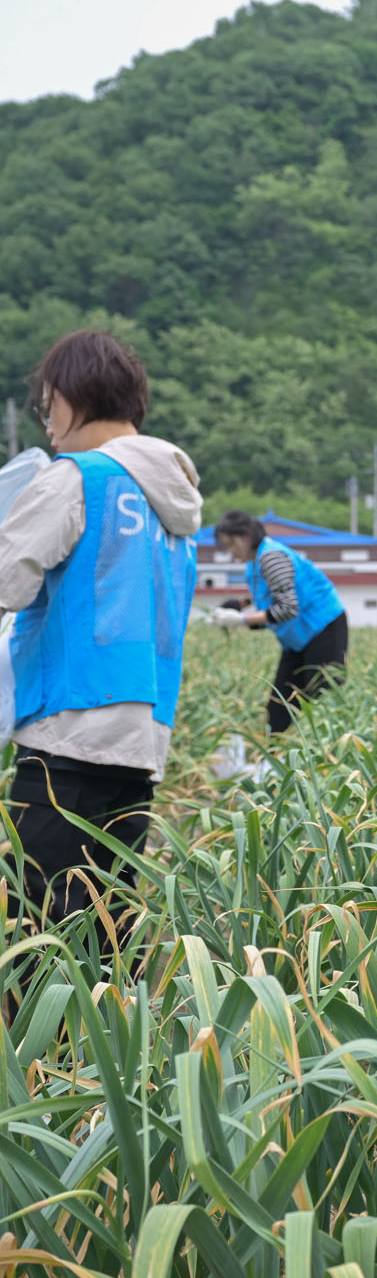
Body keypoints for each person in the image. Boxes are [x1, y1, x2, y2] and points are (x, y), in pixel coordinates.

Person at [0, 331, 200, 931]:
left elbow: (7, 582)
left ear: (72, 397)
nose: (48, 428)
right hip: (144, 735)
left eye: (47, 407)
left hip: (68, 729)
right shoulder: (174, 504)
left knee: (41, 915)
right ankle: (115, 999)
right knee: (107, 910)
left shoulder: (76, 479)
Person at [207, 510, 349, 733]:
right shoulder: (253, 562)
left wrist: (241, 620)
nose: (231, 552)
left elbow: (287, 608)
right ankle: (274, 751)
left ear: (246, 535)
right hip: (297, 640)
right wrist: (237, 608)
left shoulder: (271, 557)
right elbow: (267, 599)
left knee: (322, 700)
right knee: (279, 707)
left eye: (232, 544)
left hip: (322, 629)